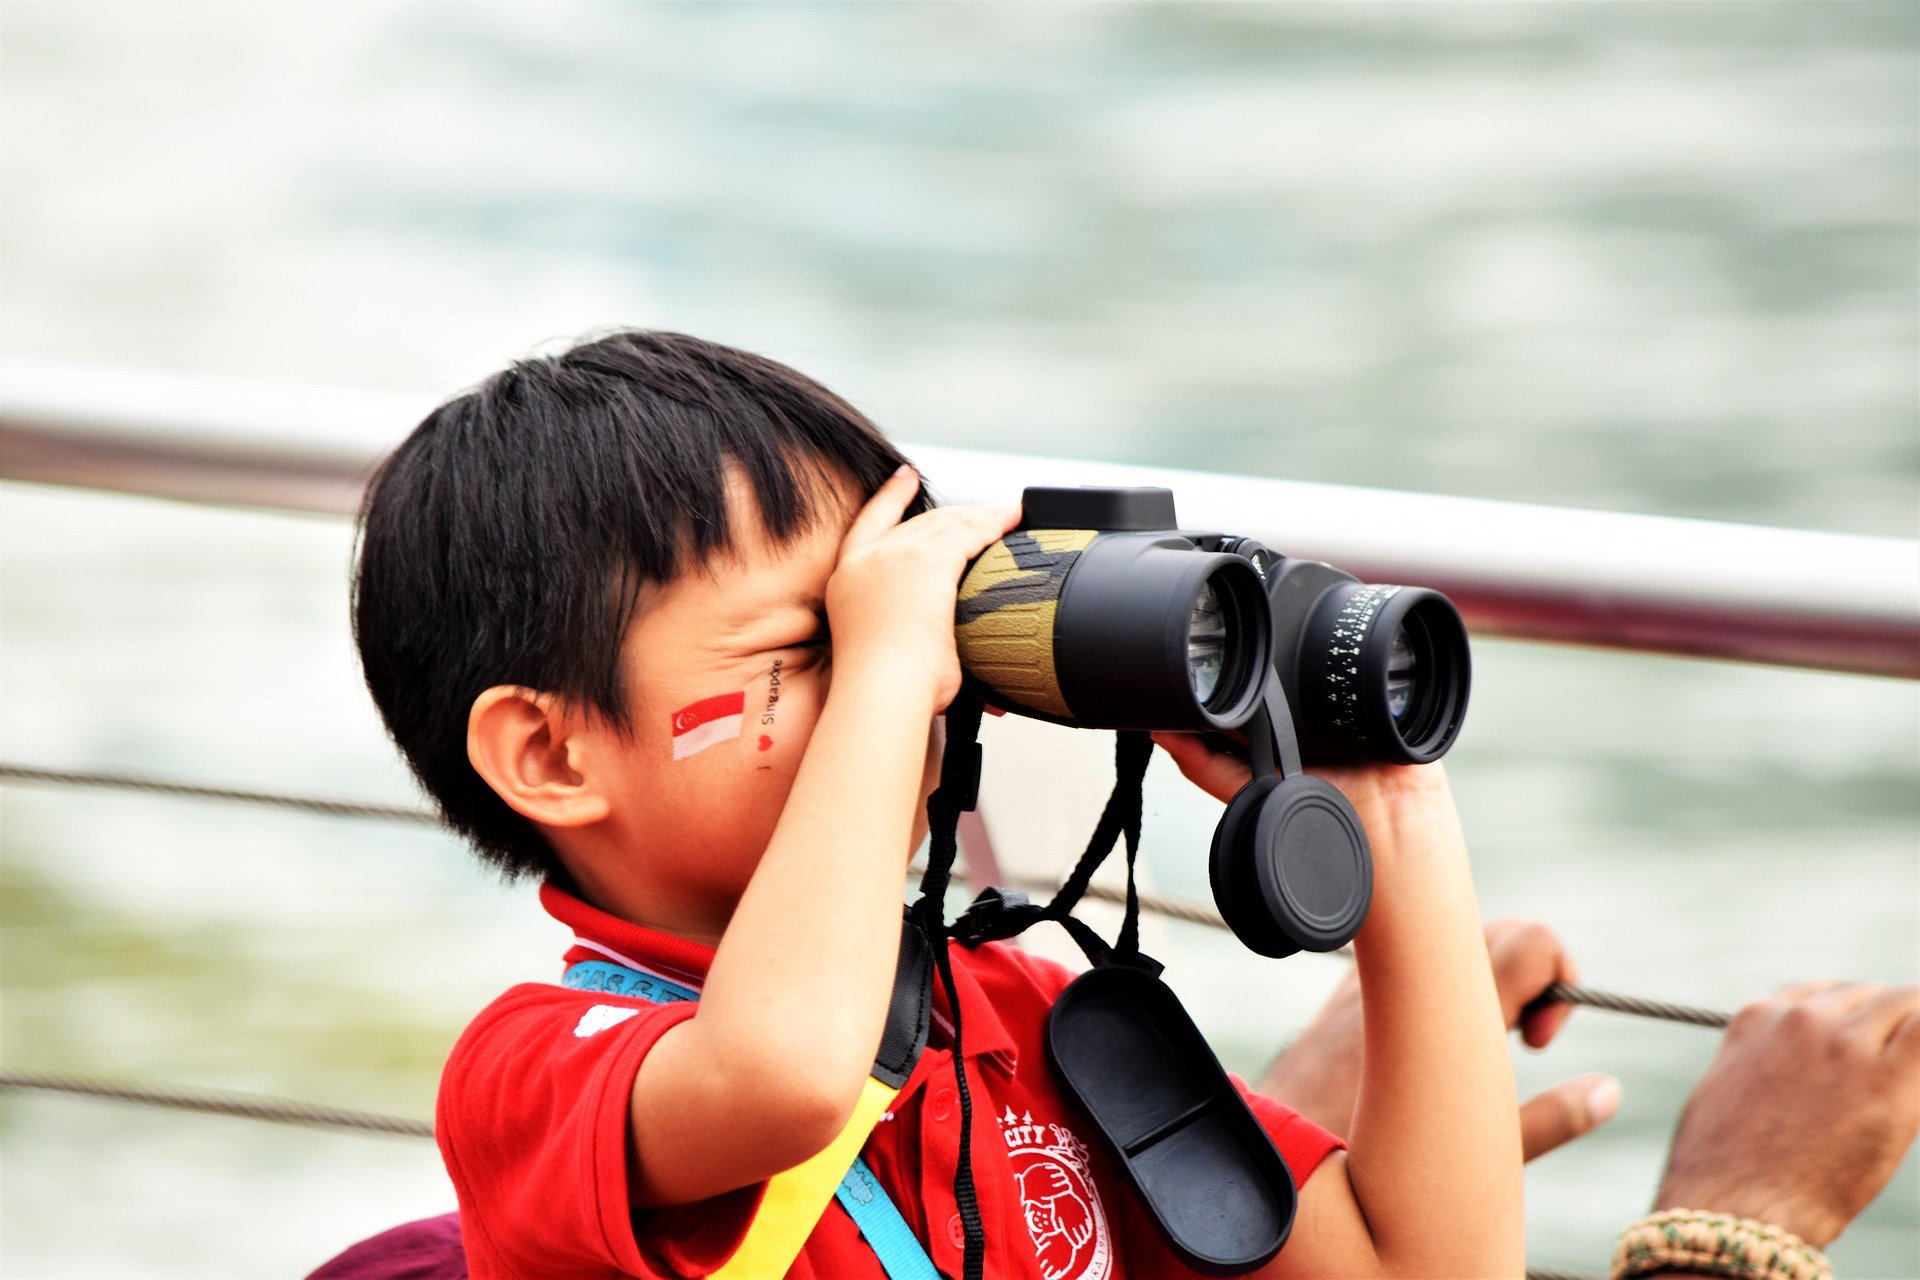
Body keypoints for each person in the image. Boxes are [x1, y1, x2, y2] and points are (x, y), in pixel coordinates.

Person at [343, 329, 1524, 1279]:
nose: (922, 682)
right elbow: (789, 1071)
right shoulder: (531, 1073)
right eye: (818, 642)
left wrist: (1398, 824)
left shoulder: (1022, 1013)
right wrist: (893, 664)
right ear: (551, 753)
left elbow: (1427, 1265)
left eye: (911, 626)